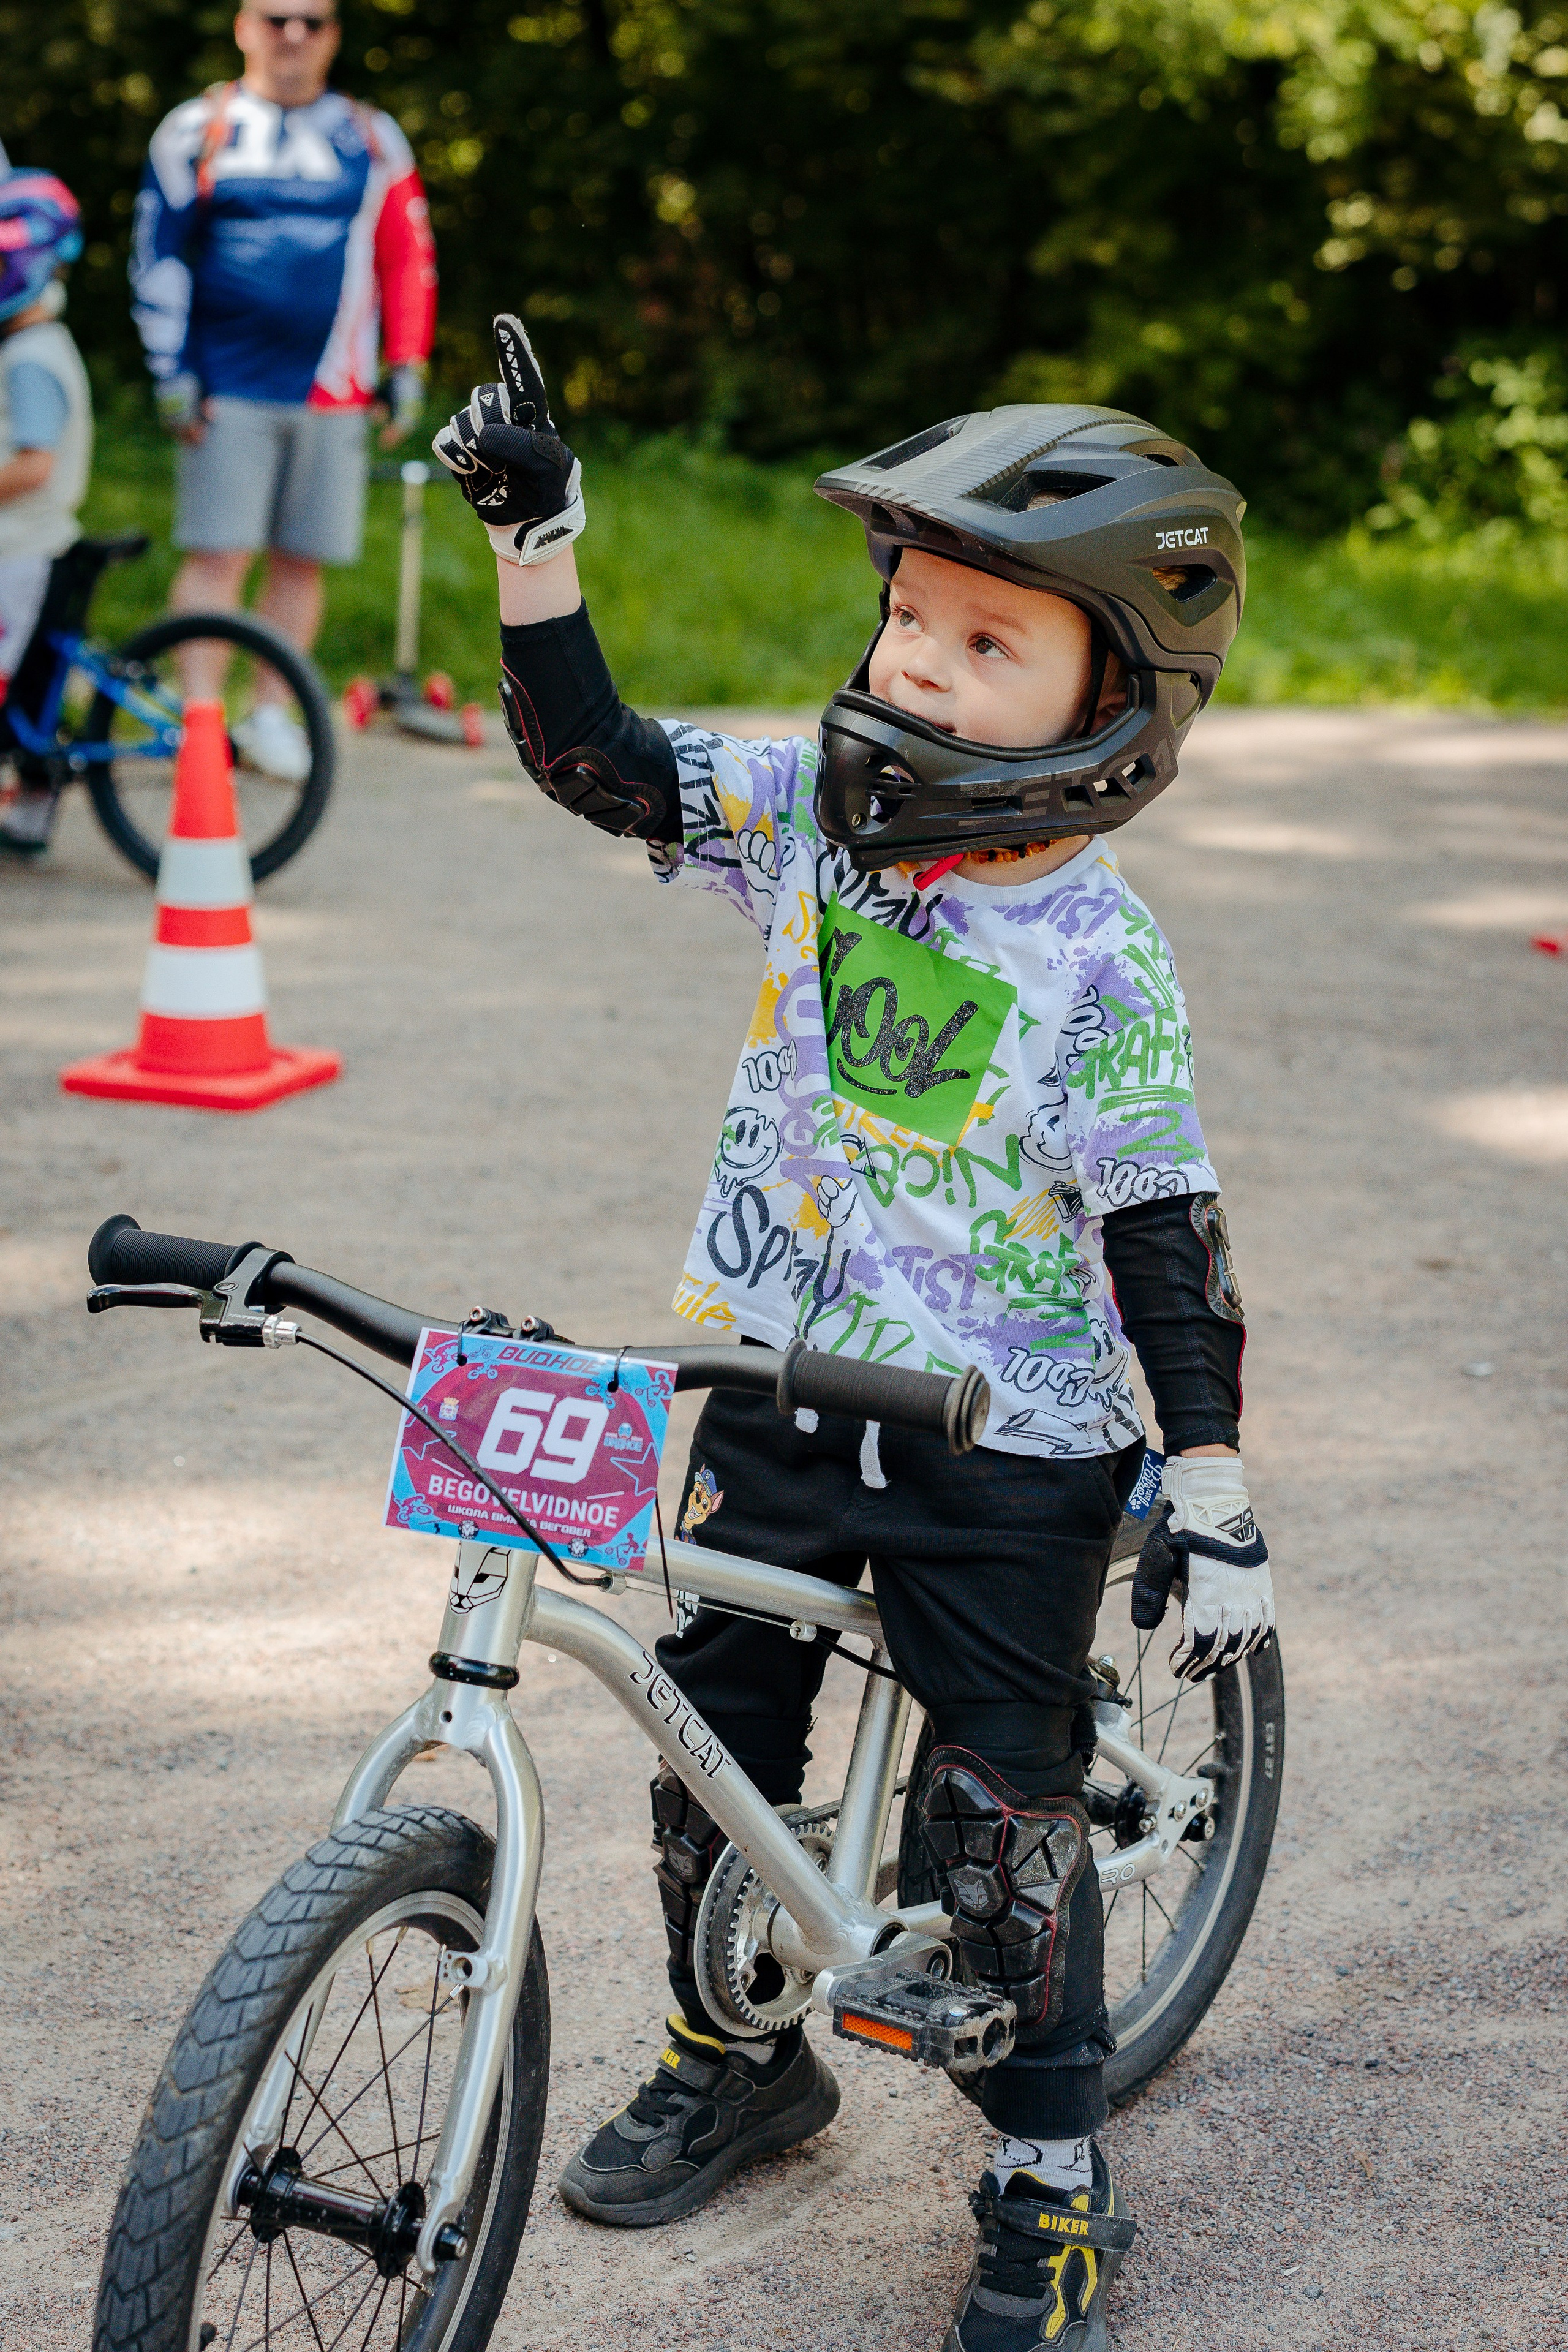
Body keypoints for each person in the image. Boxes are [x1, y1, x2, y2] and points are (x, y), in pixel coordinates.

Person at [435, 321, 1276, 2352]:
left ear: (1118, 699)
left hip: (1012, 1434)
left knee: (1003, 1826)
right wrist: (537, 552)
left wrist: (1219, 1473)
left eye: (987, 642)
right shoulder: (813, 813)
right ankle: (742, 2051)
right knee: (708, 1732)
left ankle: (1053, 2177)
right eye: (909, 615)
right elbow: (605, 766)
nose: (914, 663)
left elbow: (1165, 1228)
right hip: (782, 1375)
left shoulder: (1098, 951)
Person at [131, 2, 437, 781]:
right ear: (243, 27)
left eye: (313, 20)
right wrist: (170, 369)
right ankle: (199, 721)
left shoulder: (370, 134)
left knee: (303, 559)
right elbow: (156, 248)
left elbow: (406, 256)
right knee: (218, 554)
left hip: (334, 390)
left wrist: (407, 364)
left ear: (334, 35)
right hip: (226, 388)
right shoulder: (197, 127)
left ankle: (270, 715)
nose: (294, 33)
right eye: (277, 18)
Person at [0, 169, 91, 856]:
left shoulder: (29, 358)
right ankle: (28, 816)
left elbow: (34, 464)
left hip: (20, 549)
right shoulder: (41, 347)